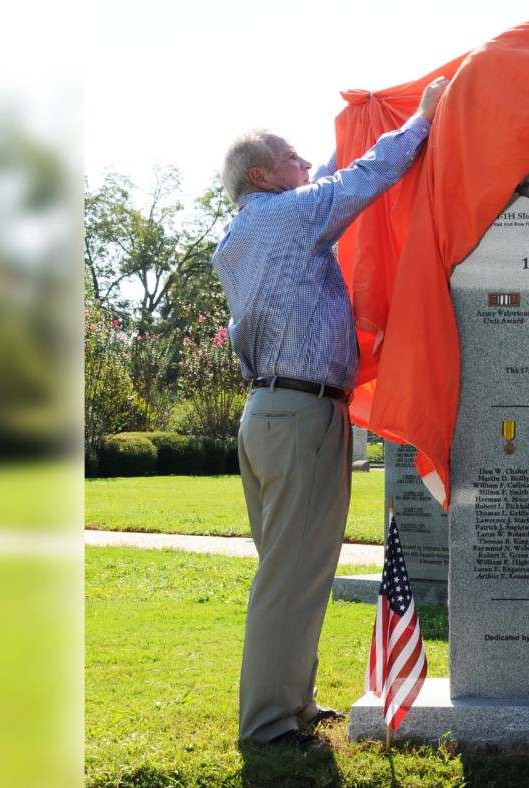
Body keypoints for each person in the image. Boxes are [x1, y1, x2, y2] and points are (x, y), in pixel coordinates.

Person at [211, 76, 449, 754]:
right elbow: (363, 177)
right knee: (291, 572)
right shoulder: (286, 214)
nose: (307, 165)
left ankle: (293, 702)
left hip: (267, 415)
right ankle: (266, 726)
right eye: (292, 158)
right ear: (262, 174)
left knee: (292, 567)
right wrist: (421, 121)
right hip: (300, 413)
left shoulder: (236, 237)